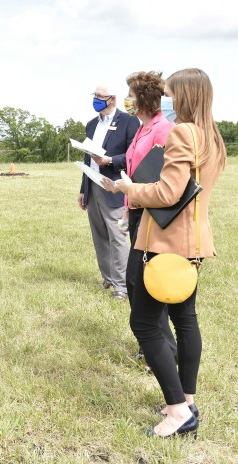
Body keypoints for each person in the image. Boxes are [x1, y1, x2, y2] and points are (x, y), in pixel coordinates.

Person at [108, 68, 226, 437]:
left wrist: (130, 188)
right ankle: (187, 399)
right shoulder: (212, 136)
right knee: (185, 319)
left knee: (143, 322)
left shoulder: (181, 132)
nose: (166, 100)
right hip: (192, 243)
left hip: (164, 243)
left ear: (185, 96)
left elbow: (168, 193)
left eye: (171, 94)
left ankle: (177, 411)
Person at [122, 71, 177, 363]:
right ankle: (150, 343)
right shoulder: (141, 129)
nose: (128, 101)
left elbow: (162, 176)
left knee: (144, 282)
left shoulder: (163, 129)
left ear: (142, 98)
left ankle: (164, 347)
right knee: (135, 282)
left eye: (131, 95)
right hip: (136, 212)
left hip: (152, 214)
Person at [78, 84, 140, 299]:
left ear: (112, 99)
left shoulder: (129, 122)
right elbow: (88, 158)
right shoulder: (91, 124)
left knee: (118, 236)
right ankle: (108, 278)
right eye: (94, 95)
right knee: (99, 235)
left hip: (114, 186)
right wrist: (83, 189)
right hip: (93, 185)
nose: (95, 99)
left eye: (99, 96)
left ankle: (122, 287)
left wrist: (110, 161)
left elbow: (133, 155)